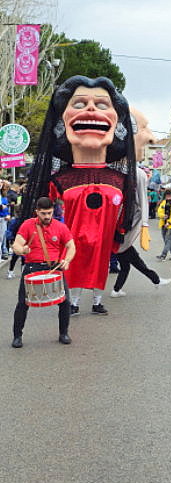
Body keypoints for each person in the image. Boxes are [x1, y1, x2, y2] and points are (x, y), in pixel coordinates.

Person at [23, 76, 138, 317]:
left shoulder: (120, 181)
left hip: (104, 239)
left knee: (100, 268)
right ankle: (73, 301)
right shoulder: (59, 180)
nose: (91, 109)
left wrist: (122, 232)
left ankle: (97, 301)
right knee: (74, 267)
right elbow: (46, 212)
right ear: (60, 121)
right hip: (71, 238)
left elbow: (125, 213)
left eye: (103, 104)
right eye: (78, 103)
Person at [110, 108, 171, 298]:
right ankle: (156, 280)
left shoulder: (133, 174)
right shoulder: (133, 174)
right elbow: (140, 203)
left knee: (128, 266)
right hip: (119, 237)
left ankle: (116, 290)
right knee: (136, 264)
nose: (151, 138)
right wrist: (143, 225)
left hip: (119, 237)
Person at [11, 197, 76, 348]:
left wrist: (67, 260)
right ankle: (17, 336)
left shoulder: (60, 227)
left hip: (54, 268)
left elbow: (71, 246)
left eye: (49, 213)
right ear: (37, 212)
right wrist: (23, 250)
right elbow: (16, 245)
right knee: (23, 303)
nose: (47, 216)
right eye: (43, 213)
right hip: (32, 268)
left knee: (65, 302)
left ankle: (63, 333)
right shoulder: (28, 225)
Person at [156, 190, 171, 261]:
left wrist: (169, 222)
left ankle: (163, 255)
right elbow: (159, 211)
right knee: (166, 241)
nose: (168, 197)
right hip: (163, 224)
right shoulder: (163, 202)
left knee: (168, 240)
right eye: (167, 196)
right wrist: (162, 216)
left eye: (169, 196)